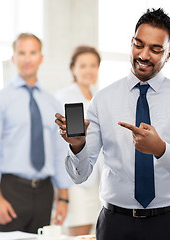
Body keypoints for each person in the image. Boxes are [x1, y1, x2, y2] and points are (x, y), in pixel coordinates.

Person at [55, 8, 170, 240]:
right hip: (115, 225)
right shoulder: (103, 99)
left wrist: (161, 150)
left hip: (168, 224)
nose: (144, 55)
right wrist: (78, 146)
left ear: (169, 53)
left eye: (156, 49)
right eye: (138, 44)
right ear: (131, 42)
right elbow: (80, 175)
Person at [0, 33, 71, 234]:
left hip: (44, 193)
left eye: (33, 52)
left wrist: (63, 198)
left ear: (41, 57)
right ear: (14, 58)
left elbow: (58, 152)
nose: (27, 59)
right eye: (22, 53)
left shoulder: (52, 104)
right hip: (10, 191)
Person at [55, 46, 102, 236]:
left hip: (98, 179)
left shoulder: (98, 97)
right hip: (76, 183)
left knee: (95, 233)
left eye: (93, 65)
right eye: (83, 66)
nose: (88, 70)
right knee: (79, 232)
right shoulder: (63, 97)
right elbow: (59, 146)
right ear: (73, 69)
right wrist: (62, 193)